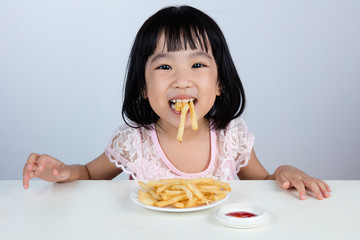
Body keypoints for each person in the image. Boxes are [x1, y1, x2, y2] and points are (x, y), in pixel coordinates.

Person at [23, 5, 331, 200]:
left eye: (198, 65)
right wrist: (63, 172)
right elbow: (89, 175)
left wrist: (286, 171)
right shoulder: (134, 141)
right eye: (164, 66)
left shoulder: (230, 138)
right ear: (143, 87)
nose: (181, 80)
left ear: (220, 82)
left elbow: (264, 181)